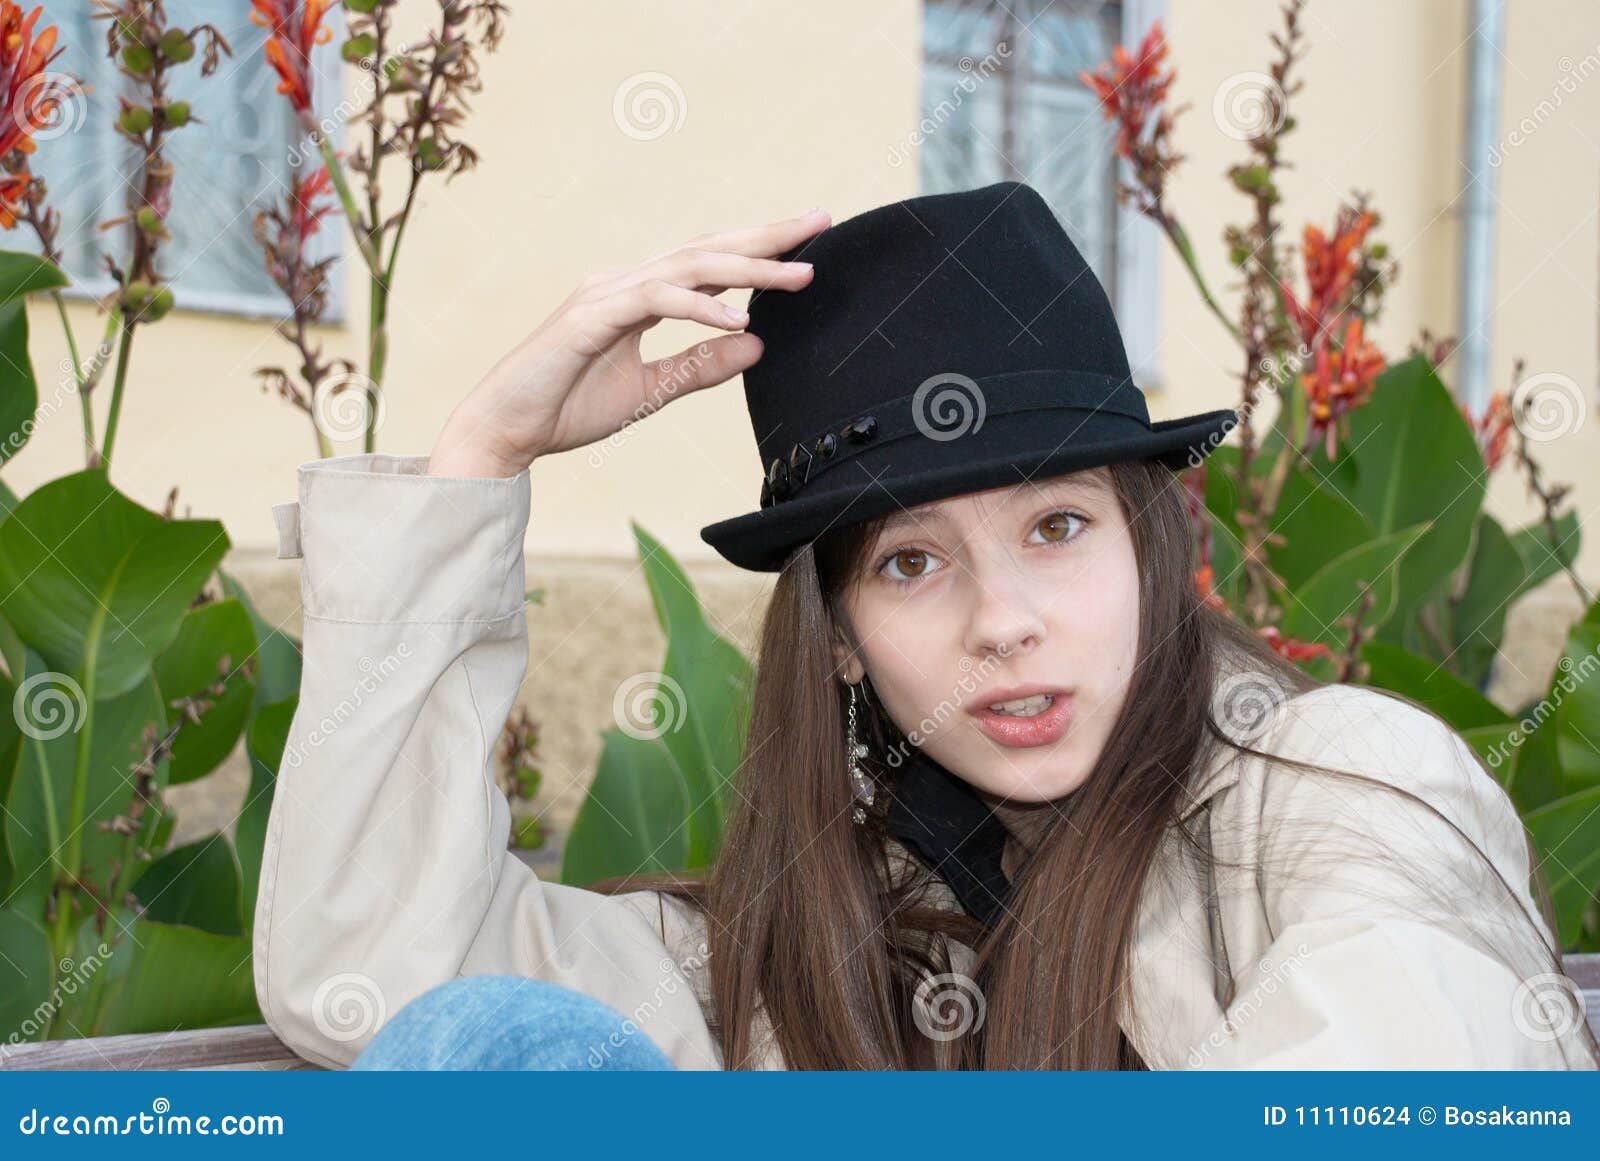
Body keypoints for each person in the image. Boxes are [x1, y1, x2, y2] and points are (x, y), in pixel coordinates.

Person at [254, 181, 1600, 1071]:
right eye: (909, 562)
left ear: (1151, 540)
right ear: (838, 632)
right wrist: (480, 459)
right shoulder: (795, 951)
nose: (1002, 622)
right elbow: (383, 987)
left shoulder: (1338, 796)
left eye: (1057, 529)